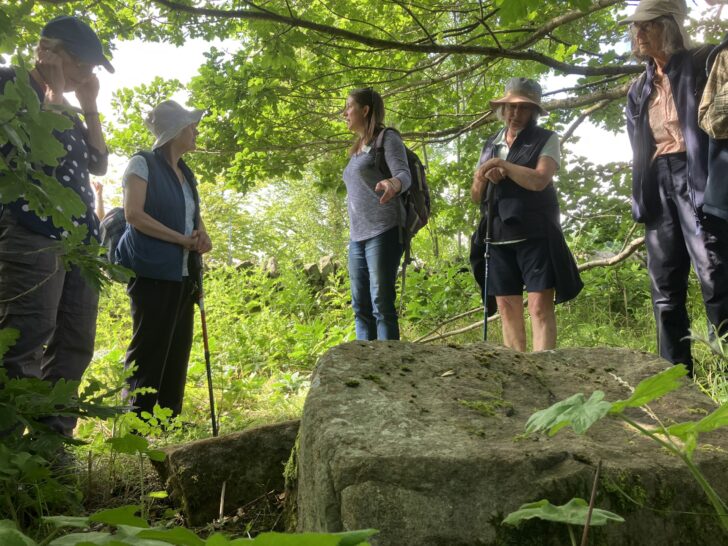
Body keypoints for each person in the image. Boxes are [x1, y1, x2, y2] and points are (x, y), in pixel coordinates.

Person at [0, 16, 113, 436]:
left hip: (81, 242)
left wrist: (89, 106)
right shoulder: (9, 84)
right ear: (49, 51)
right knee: (24, 340)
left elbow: (98, 162)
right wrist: (47, 97)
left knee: (74, 345)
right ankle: (9, 459)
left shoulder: (70, 105)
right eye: (83, 64)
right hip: (30, 231)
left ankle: (51, 448)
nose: (88, 74)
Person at [622, 0, 728, 375]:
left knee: (715, 274)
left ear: (669, 26)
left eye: (647, 26)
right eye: (636, 27)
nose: (639, 34)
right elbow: (639, 145)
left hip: (698, 176)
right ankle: (675, 376)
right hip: (658, 181)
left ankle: (725, 368)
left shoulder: (704, 62)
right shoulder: (638, 88)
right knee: (664, 284)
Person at [470, 78, 582, 352]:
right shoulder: (491, 143)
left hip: (536, 232)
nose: (514, 114)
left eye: (522, 108)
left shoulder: (546, 139)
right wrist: (485, 174)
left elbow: (540, 180)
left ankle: (545, 368)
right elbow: (476, 196)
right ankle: (519, 372)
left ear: (533, 112)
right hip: (495, 235)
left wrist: (502, 166)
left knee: (539, 306)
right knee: (506, 307)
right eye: (509, 107)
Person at [116, 100, 212, 417]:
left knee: (177, 350)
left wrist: (201, 235)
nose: (195, 131)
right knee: (150, 349)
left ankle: (166, 422)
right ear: (175, 132)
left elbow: (193, 219)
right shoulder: (142, 164)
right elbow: (134, 215)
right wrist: (181, 239)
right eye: (190, 126)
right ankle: (136, 422)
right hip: (152, 271)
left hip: (184, 274)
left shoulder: (186, 173)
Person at [342, 87, 411, 340]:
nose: (344, 113)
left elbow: (405, 174)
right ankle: (364, 370)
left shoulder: (387, 138)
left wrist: (392, 184)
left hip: (384, 230)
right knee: (360, 306)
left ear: (365, 110)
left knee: (381, 302)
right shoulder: (357, 148)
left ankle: (388, 368)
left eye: (349, 106)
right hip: (357, 237)